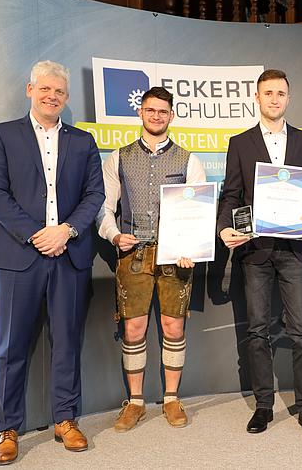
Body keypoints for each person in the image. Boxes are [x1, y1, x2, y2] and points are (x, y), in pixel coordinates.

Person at [0, 60, 105, 465]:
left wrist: (65, 231)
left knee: (67, 342)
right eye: (45, 89)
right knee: (11, 346)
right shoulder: (2, 135)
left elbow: (94, 195)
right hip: (19, 256)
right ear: (30, 89)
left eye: (60, 92)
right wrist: (38, 234)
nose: (53, 96)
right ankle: (8, 428)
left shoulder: (83, 142)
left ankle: (65, 419)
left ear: (66, 99)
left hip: (69, 255)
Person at [217, 69, 302, 437]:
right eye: (268, 93)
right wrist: (224, 228)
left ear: (288, 97)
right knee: (257, 331)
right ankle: (264, 405)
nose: (275, 99)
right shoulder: (241, 142)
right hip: (255, 251)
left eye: (281, 93)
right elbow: (231, 195)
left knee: (301, 332)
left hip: (296, 249)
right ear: (257, 97)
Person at [96, 86, 206, 431]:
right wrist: (114, 235)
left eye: (163, 111)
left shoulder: (189, 160)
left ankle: (172, 399)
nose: (156, 116)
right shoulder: (119, 157)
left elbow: (199, 210)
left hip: (176, 256)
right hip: (134, 254)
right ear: (141, 113)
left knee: (174, 326)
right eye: (150, 110)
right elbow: (104, 206)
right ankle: (137, 402)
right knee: (134, 328)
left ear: (171, 116)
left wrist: (193, 248)